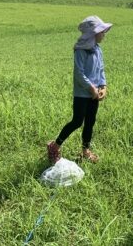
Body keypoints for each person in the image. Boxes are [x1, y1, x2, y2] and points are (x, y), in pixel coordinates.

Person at [46, 15, 112, 164]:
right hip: (82, 94)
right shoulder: (81, 50)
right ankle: (54, 145)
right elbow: (78, 73)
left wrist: (103, 86)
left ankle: (85, 151)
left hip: (94, 94)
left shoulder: (98, 49)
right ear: (93, 33)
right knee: (77, 121)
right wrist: (91, 88)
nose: (104, 34)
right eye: (102, 31)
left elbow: (101, 70)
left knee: (90, 121)